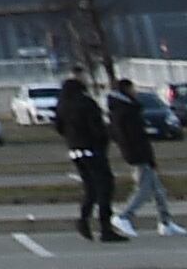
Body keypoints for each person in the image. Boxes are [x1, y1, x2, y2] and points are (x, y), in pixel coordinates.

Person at [58, 73, 120, 245]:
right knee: (105, 186)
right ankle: (105, 228)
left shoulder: (62, 105)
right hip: (93, 149)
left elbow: (59, 127)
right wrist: (103, 140)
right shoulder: (87, 103)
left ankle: (84, 220)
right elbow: (97, 127)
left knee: (90, 188)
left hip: (75, 150)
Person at [111, 81, 176, 236]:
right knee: (144, 190)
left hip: (138, 154)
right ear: (126, 90)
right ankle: (124, 216)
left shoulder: (123, 110)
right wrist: (147, 158)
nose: (136, 91)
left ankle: (165, 222)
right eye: (133, 88)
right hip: (138, 156)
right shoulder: (126, 112)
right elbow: (137, 138)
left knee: (159, 190)